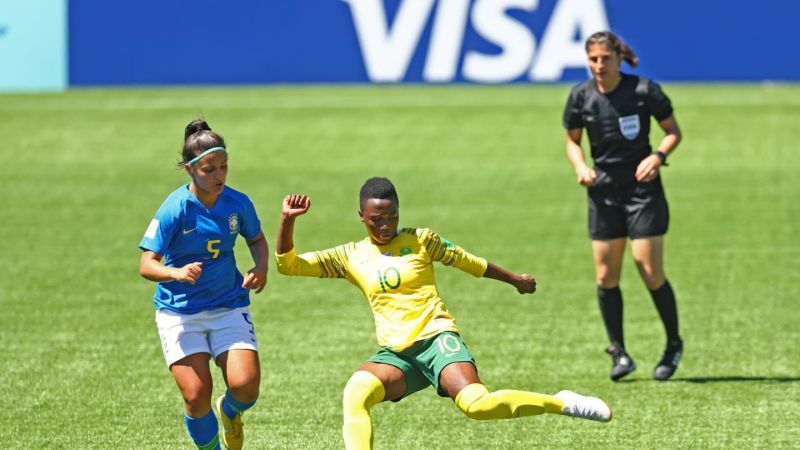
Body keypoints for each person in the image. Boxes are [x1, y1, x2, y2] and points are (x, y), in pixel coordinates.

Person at [276, 177, 612, 450]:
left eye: (392, 217)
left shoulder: (422, 240)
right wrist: (287, 222)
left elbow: (468, 261)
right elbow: (288, 265)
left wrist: (514, 280)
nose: (385, 225)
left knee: (477, 406)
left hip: (437, 341)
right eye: (377, 219)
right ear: (361, 216)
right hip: (398, 354)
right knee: (355, 393)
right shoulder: (349, 256)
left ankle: (561, 402)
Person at [138, 119, 268, 450]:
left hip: (228, 304)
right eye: (210, 169)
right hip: (180, 312)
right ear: (189, 169)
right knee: (196, 396)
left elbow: (256, 239)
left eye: (224, 166)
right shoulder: (174, 208)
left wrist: (261, 267)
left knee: (246, 387)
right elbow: (146, 264)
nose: (219, 175)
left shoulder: (238, 203)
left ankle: (230, 411)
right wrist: (176, 274)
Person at [562, 31, 684, 381]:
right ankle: (619, 352)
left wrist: (658, 156)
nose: (599, 65)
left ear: (618, 58)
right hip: (602, 192)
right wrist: (581, 167)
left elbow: (673, 131)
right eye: (593, 59)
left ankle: (673, 343)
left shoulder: (644, 91)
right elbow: (571, 142)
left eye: (605, 59)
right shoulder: (580, 96)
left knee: (649, 270)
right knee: (605, 275)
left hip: (642, 191)